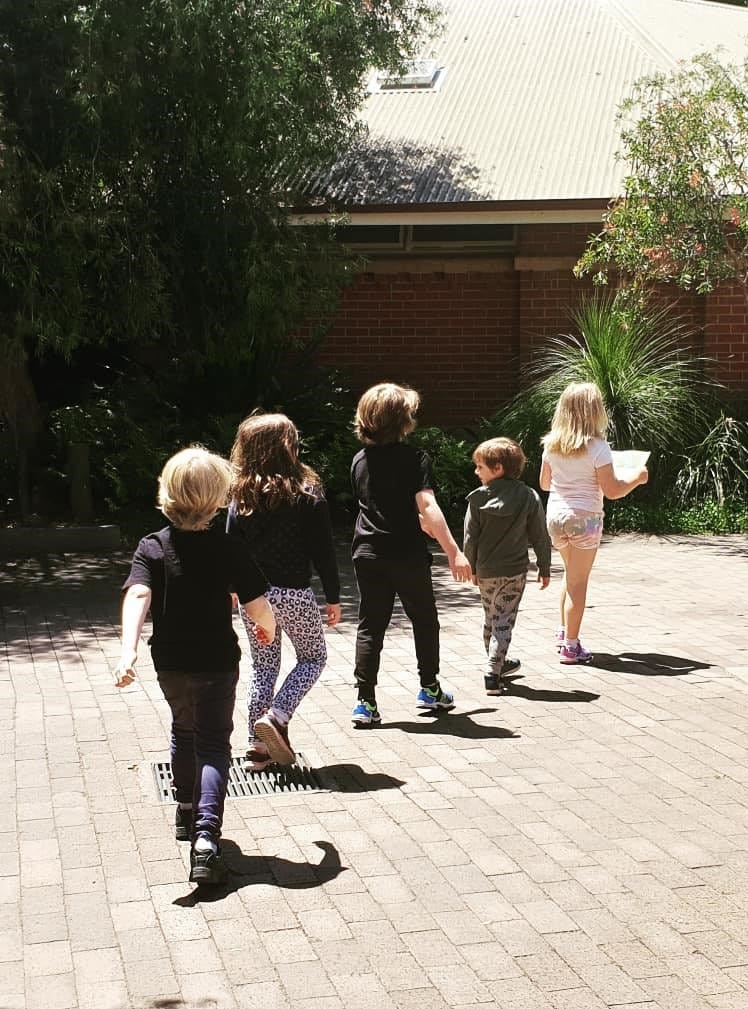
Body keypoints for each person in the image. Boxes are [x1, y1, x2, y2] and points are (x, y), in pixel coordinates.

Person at [113, 447, 275, 886]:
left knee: (182, 730)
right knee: (213, 745)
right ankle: (206, 841)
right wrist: (270, 628)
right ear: (218, 498)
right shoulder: (228, 547)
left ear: (167, 492)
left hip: (170, 662)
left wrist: (127, 649)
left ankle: (186, 811)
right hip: (217, 663)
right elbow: (258, 604)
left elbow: (139, 595)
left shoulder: (153, 546)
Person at [350, 382, 472, 727]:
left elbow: (382, 507)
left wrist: (420, 523)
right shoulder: (415, 458)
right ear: (402, 420)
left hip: (368, 552)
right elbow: (426, 505)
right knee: (424, 619)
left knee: (371, 625)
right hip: (405, 554)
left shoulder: (359, 460)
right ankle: (429, 688)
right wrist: (453, 551)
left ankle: (365, 702)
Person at [227, 413, 341, 769]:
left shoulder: (240, 494)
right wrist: (333, 595)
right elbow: (323, 550)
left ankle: (256, 747)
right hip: (293, 594)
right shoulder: (307, 494)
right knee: (313, 659)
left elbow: (231, 546)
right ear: (289, 447)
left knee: (263, 668)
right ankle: (277, 715)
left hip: (253, 596)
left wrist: (231, 589)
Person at [539, 382, 648, 664]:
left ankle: (564, 633)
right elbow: (612, 490)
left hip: (555, 517)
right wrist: (637, 479)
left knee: (569, 574)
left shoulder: (551, 444)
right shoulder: (598, 447)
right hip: (585, 518)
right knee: (579, 582)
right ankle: (571, 647)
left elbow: (544, 483)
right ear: (595, 412)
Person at [463, 437, 552, 694]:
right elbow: (539, 535)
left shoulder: (477, 500)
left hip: (487, 572)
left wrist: (471, 567)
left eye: (480, 467)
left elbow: (470, 537)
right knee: (504, 619)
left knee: (491, 617)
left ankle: (497, 661)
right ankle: (493, 670)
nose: (476, 471)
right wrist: (544, 566)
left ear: (498, 467)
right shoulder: (528, 496)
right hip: (514, 572)